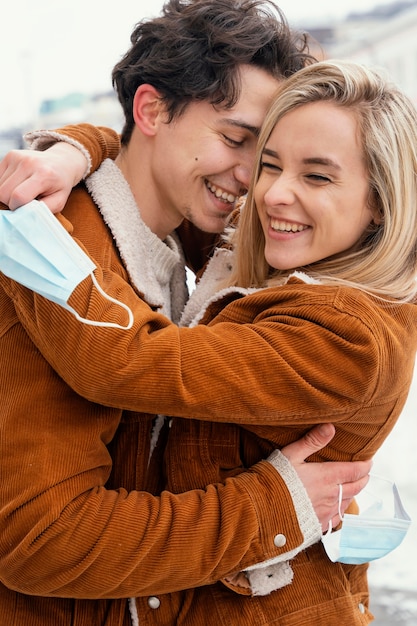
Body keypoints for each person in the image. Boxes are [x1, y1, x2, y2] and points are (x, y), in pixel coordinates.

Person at [2, 59, 417, 625]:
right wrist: (75, 150)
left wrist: (28, 239)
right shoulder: (287, 257)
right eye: (268, 162)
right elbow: (147, 177)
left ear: (380, 204)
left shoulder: (350, 336)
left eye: (317, 176)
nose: (268, 192)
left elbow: (136, 362)